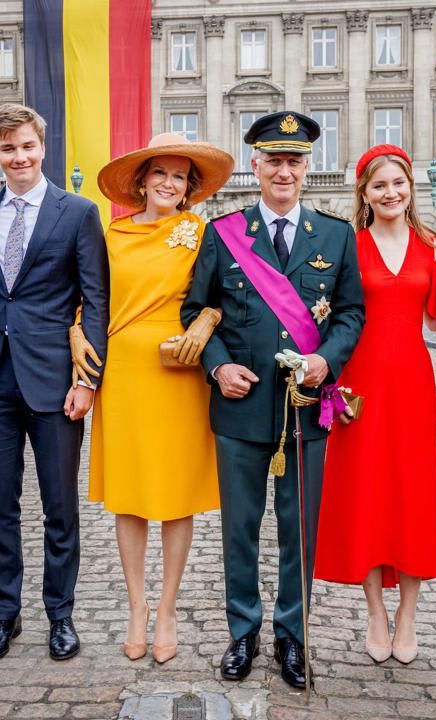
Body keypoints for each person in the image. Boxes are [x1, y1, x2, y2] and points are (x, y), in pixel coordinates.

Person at [181, 111, 365, 690]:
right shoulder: (224, 232)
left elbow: (353, 312)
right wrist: (217, 367)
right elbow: (194, 312)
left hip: (306, 410)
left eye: (295, 161)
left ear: (307, 167)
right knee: (240, 528)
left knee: (298, 529)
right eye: (274, 160)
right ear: (255, 165)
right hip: (239, 410)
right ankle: (243, 629)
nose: (284, 170)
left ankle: (293, 633)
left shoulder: (335, 236)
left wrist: (326, 360)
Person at [313, 145, 436, 665]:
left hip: (414, 387)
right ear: (365, 194)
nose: (391, 192)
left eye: (398, 182)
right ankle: (376, 611)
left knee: (412, 498)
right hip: (358, 388)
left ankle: (408, 616)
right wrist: (328, 388)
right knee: (366, 498)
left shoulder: (433, 247)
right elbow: (330, 323)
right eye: (379, 185)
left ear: (410, 188)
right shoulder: (348, 247)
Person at [69, 133, 234, 664]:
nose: (168, 182)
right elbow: (90, 295)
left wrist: (207, 323)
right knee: (131, 493)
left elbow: (222, 295)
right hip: (123, 373)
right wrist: (77, 330)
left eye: (179, 176)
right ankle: (136, 604)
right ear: (141, 180)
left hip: (179, 369)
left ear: (189, 188)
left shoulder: (200, 231)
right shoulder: (111, 233)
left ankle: (168, 607)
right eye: (159, 172)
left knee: (176, 494)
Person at [0, 103, 109, 663]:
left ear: (42, 147)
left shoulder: (77, 213)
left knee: (59, 506)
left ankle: (61, 615)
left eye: (27, 146)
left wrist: (88, 379)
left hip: (55, 380)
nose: (19, 156)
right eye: (8, 148)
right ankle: (5, 614)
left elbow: (94, 300)